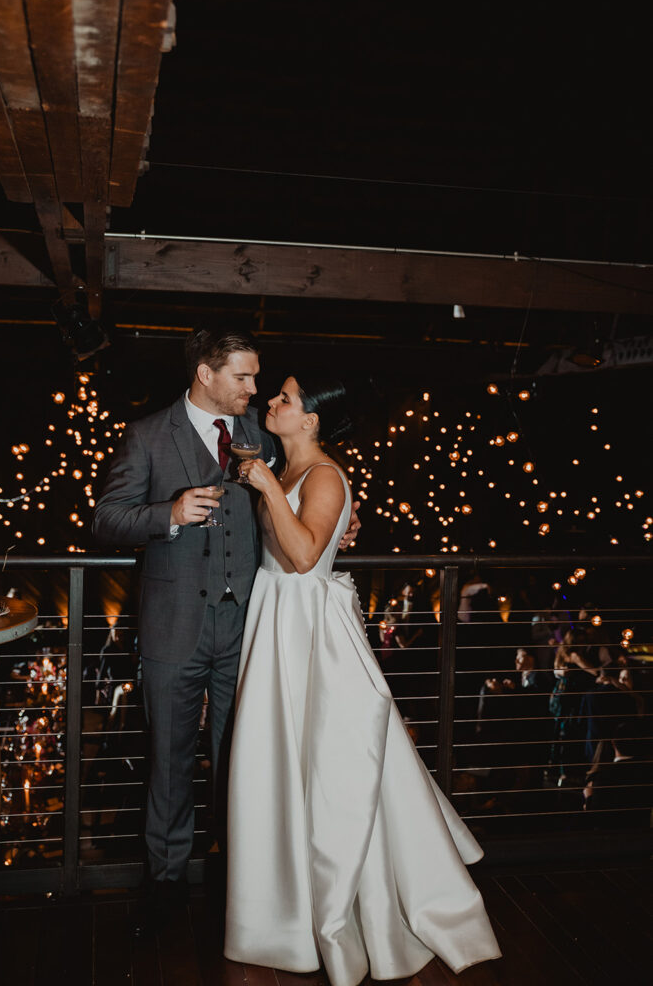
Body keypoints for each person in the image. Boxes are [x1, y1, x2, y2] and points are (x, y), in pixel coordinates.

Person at [224, 373, 500, 985]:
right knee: (283, 760)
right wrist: (271, 484)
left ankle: (351, 903)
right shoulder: (286, 468)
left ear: (311, 419)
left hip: (309, 630)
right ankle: (284, 907)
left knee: (332, 763)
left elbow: (303, 558)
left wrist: (266, 486)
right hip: (277, 620)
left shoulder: (322, 475)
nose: (273, 402)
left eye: (286, 398)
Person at [92, 329, 359, 920]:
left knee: (243, 757)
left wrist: (343, 515)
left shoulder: (264, 432)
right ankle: (165, 881)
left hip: (251, 626)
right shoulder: (147, 435)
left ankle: (238, 876)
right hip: (174, 625)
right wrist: (168, 513)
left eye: (257, 378)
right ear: (206, 375)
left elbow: (310, 480)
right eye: (243, 377)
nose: (254, 389)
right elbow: (105, 519)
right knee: (169, 759)